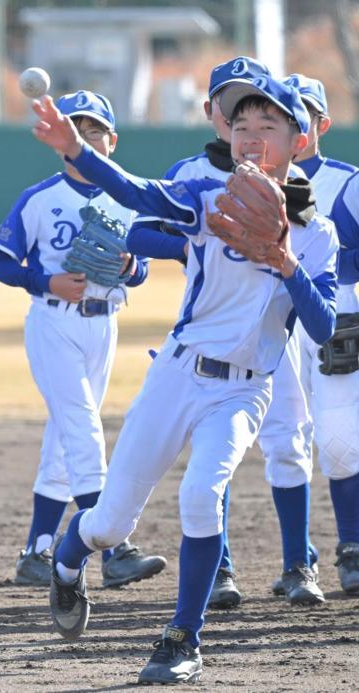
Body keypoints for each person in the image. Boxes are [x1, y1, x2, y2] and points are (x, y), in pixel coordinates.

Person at [33, 76, 337, 684]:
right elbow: (137, 190)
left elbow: (324, 326)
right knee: (111, 523)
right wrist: (77, 152)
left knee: (202, 494)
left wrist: (284, 261)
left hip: (244, 389)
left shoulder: (316, 233)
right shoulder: (207, 196)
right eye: (240, 126)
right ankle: (70, 557)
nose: (251, 138)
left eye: (267, 127)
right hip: (176, 374)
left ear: (298, 139)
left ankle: (181, 639)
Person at [127, 57, 322, 609]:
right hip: (212, 327)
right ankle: (222, 570)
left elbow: (310, 244)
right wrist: (200, 237)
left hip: (273, 332)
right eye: (222, 102)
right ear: (214, 113)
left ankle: (298, 564)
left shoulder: (290, 174)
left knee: (289, 440)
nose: (233, 116)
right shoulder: (192, 171)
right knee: (217, 457)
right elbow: (142, 231)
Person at [0, 91, 165, 589]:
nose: (86, 139)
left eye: (95, 131)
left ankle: (37, 550)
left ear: (112, 139)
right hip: (53, 321)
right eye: (77, 130)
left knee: (64, 439)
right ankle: (112, 548)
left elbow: (143, 269)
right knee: (83, 426)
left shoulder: (128, 197)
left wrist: (132, 267)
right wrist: (45, 282)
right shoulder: (40, 198)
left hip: (104, 323)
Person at [294, 78, 359, 596]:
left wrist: (327, 263)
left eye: (306, 114)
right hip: (271, 325)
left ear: (322, 125)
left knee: (338, 443)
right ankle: (296, 562)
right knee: (281, 444)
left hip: (336, 318)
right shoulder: (246, 179)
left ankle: (352, 547)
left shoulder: (347, 181)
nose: (297, 122)